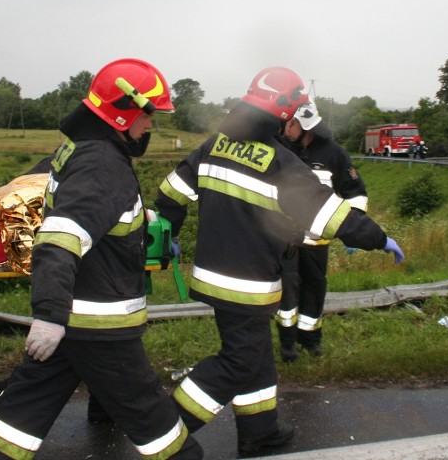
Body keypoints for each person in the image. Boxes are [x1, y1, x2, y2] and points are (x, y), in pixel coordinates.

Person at [155, 66, 405, 458]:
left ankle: (260, 433)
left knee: (255, 357)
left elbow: (170, 193)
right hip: (246, 284)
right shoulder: (279, 162)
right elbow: (328, 215)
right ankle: (165, 428)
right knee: (238, 361)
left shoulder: (214, 144)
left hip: (214, 275)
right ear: (285, 112)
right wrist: (380, 238)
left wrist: (169, 232)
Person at [0, 58, 202, 460]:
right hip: (100, 328)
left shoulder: (81, 149)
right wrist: (48, 314)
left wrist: (136, 218)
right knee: (159, 428)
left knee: (20, 417)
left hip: (71, 320)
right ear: (123, 112)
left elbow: (87, 213)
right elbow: (61, 238)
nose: (151, 125)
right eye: (149, 116)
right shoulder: (103, 164)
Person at [275, 101, 369, 362]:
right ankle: (287, 346)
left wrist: (354, 228)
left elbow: (356, 193)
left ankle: (311, 341)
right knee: (287, 294)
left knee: (314, 292)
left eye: (290, 124)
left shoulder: (334, 154)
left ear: (305, 124)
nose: (286, 129)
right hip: (287, 240)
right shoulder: (281, 148)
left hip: (317, 241)